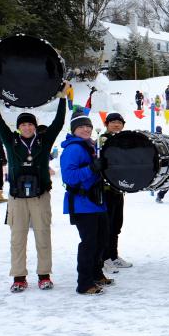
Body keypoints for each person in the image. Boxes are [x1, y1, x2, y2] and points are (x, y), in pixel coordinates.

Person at [0, 84, 67, 293]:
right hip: (17, 196)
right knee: (18, 237)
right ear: (18, 127)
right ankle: (19, 277)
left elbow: (59, 123)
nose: (27, 128)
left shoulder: (43, 140)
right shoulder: (11, 141)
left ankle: (44, 275)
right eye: (23, 125)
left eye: (30, 125)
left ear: (35, 126)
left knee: (43, 235)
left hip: (40, 195)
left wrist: (62, 97)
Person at [61, 110, 111, 295]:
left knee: (101, 240)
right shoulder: (73, 148)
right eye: (81, 127)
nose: (86, 129)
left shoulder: (88, 146)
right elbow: (69, 176)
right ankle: (84, 283)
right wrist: (91, 168)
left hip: (96, 202)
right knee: (89, 243)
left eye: (88, 126)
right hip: (82, 203)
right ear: (74, 129)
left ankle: (96, 274)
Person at [99, 113, 132, 272]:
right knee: (107, 225)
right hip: (106, 189)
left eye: (119, 122)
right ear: (107, 124)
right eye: (113, 122)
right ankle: (105, 258)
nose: (117, 125)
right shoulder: (104, 139)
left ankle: (113, 255)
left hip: (118, 189)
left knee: (116, 225)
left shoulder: (124, 140)